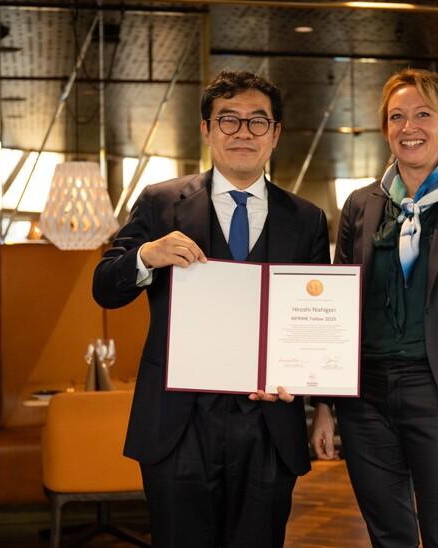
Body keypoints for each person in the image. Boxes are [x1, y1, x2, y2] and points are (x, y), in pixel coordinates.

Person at [93, 70, 330, 548]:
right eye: (228, 120)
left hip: (269, 424)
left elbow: (316, 321)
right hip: (179, 424)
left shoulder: (307, 219)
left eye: (257, 121)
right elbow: (104, 287)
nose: (243, 132)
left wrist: (319, 399)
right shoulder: (161, 203)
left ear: (276, 133)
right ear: (206, 129)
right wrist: (146, 256)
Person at [310, 68, 438, 547]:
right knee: (387, 536)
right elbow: (335, 315)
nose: (410, 127)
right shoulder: (360, 206)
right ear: (385, 128)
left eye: (423, 114)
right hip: (364, 401)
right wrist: (324, 405)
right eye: (397, 116)